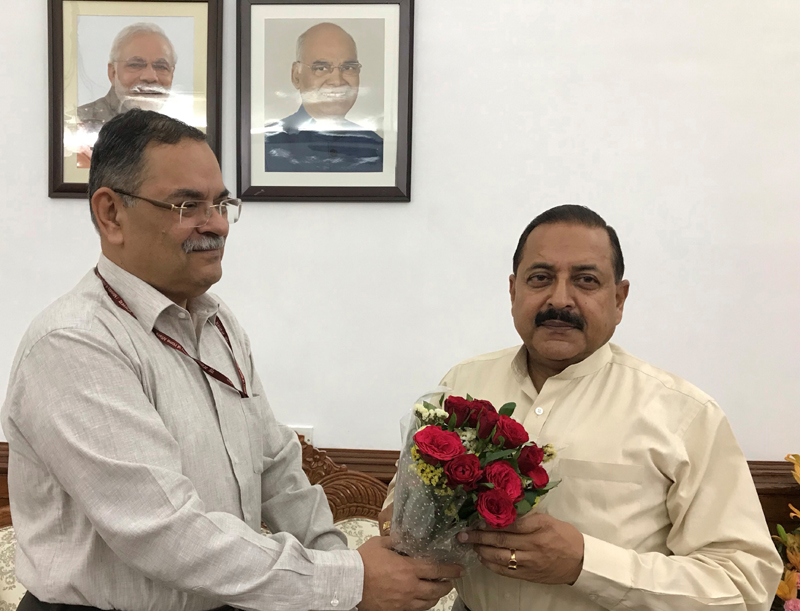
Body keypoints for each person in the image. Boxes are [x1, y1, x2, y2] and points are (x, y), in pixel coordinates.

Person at [1, 109, 459, 611]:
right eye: (187, 205)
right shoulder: (74, 343)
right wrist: (348, 581)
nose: (216, 224)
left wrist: (346, 576)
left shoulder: (217, 323)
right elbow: (164, 532)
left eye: (221, 203)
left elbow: (277, 469)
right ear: (111, 214)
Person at [380, 204, 782, 611]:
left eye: (586, 280)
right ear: (513, 291)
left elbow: (745, 585)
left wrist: (585, 564)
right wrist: (401, 523)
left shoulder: (685, 414)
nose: (560, 299)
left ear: (619, 299)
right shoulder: (462, 385)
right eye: (540, 278)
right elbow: (403, 502)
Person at [264, 22, 383, 172]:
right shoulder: (265, 147)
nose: (337, 81)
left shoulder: (377, 149)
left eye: (348, 68)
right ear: (296, 76)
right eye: (321, 68)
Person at [73, 22, 177, 167]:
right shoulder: (79, 124)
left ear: (172, 74)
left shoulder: (176, 136)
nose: (150, 77)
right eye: (135, 65)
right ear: (112, 73)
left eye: (161, 66)